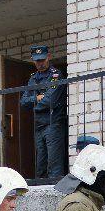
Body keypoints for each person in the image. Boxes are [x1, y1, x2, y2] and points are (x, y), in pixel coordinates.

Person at [20, 45, 67, 179]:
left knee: (54, 165)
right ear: (32, 60)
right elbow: (23, 102)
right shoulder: (33, 78)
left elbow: (50, 100)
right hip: (39, 126)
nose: (40, 63)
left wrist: (34, 104)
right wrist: (37, 98)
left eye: (42, 60)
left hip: (53, 124)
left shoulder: (56, 75)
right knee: (40, 166)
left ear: (49, 57)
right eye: (37, 61)